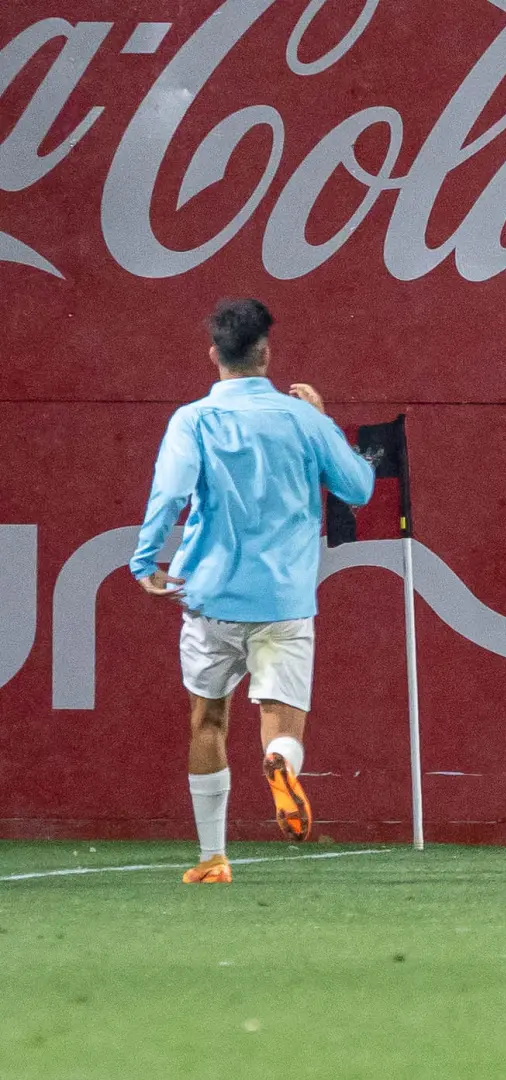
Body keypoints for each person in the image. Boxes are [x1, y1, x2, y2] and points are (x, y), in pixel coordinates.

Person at [130, 299, 375, 884]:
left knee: (208, 719)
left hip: (209, 596)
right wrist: (326, 421)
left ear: (215, 354)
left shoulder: (193, 420)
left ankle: (213, 857)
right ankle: (280, 764)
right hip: (284, 602)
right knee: (280, 721)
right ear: (266, 352)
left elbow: (169, 494)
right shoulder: (303, 418)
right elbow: (360, 488)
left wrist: (144, 559)